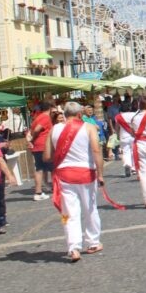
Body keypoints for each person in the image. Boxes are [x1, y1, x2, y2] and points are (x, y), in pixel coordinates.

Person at [43, 101, 105, 262]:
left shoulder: (54, 129)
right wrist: (100, 174)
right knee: (90, 208)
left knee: (69, 213)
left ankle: (73, 247)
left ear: (64, 114)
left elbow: (47, 156)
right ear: (79, 114)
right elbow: (96, 150)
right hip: (86, 173)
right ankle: (93, 242)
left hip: (64, 174)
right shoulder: (88, 127)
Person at [28, 102, 54, 201]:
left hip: (37, 146)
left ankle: (38, 192)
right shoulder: (45, 117)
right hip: (44, 145)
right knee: (53, 167)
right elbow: (37, 129)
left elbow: (32, 130)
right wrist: (33, 138)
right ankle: (57, 188)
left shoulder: (37, 117)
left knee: (39, 168)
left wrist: (33, 140)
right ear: (50, 108)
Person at [114, 101, 139, 178]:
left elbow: (117, 127)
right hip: (133, 135)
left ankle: (127, 164)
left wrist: (117, 135)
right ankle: (134, 168)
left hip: (123, 136)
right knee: (133, 151)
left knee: (125, 152)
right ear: (129, 107)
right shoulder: (134, 115)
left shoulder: (118, 116)